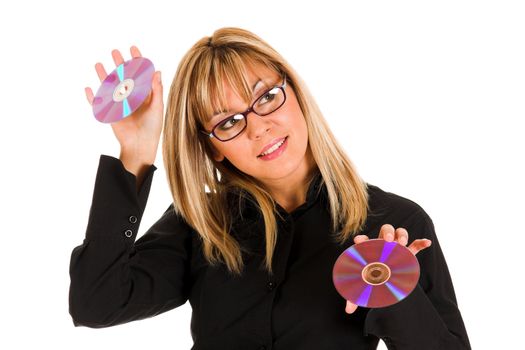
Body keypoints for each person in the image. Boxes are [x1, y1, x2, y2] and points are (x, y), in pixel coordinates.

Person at [69, 27, 471, 350]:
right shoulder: (201, 226)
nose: (259, 126)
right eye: (228, 122)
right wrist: (136, 153)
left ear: (294, 91)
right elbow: (96, 303)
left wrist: (393, 289)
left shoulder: (393, 223)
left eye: (266, 97)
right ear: (213, 147)